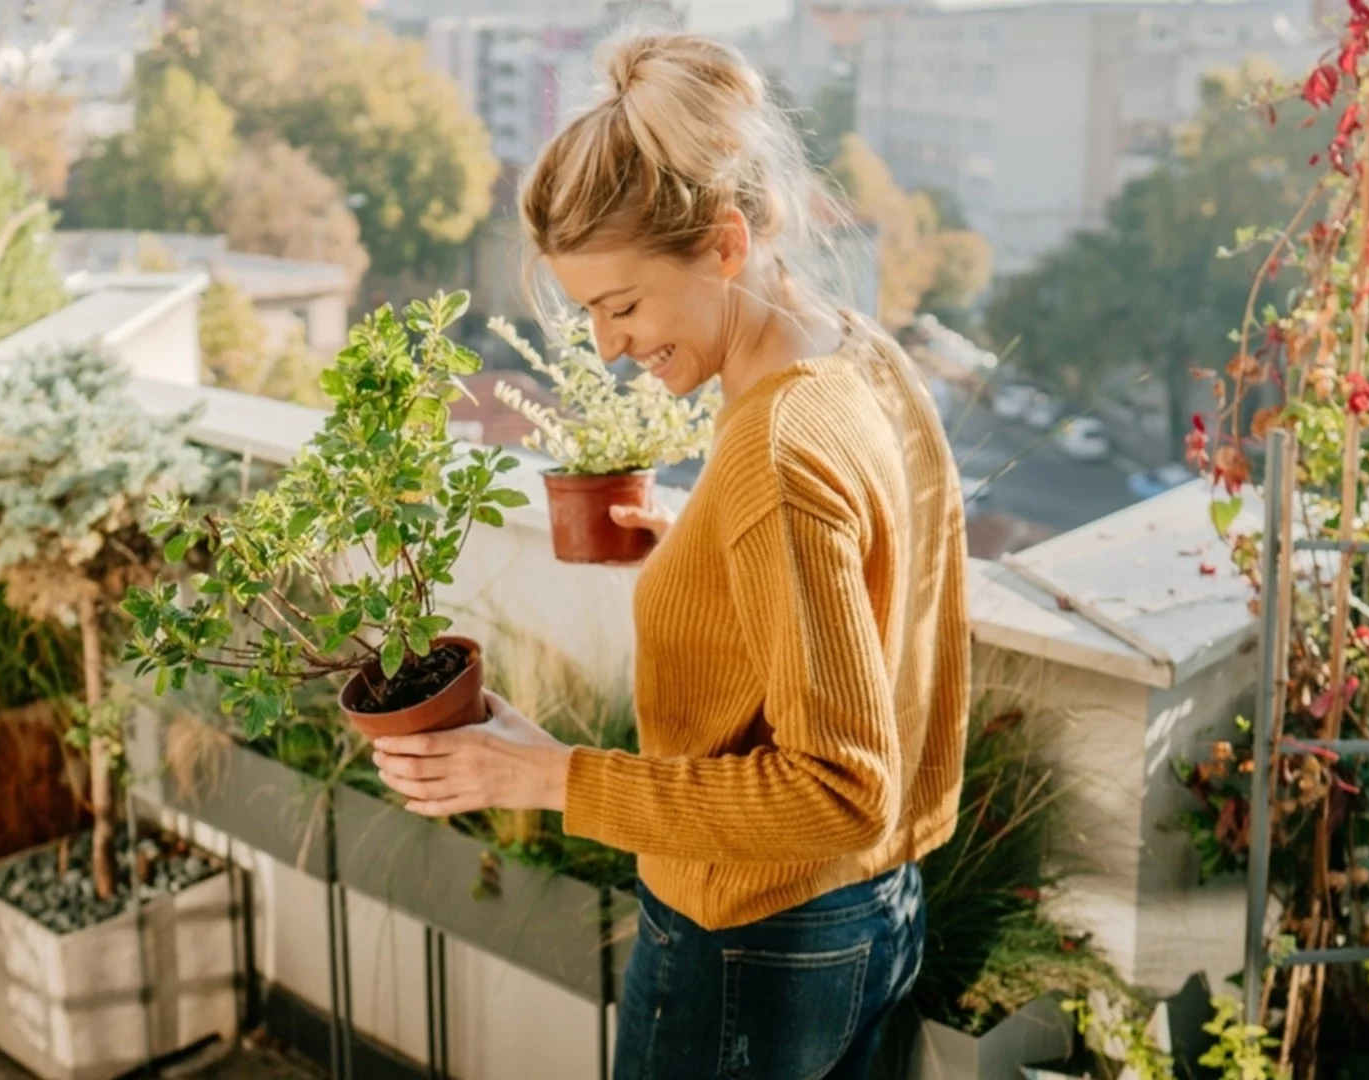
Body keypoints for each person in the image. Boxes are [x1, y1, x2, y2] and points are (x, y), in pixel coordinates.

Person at [372, 29, 970, 1080]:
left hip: (756, 936)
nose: (605, 345)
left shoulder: (776, 457)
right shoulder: (852, 350)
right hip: (871, 911)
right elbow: (879, 578)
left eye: (623, 304)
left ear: (727, 245)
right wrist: (697, 551)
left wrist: (550, 776)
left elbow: (837, 787)